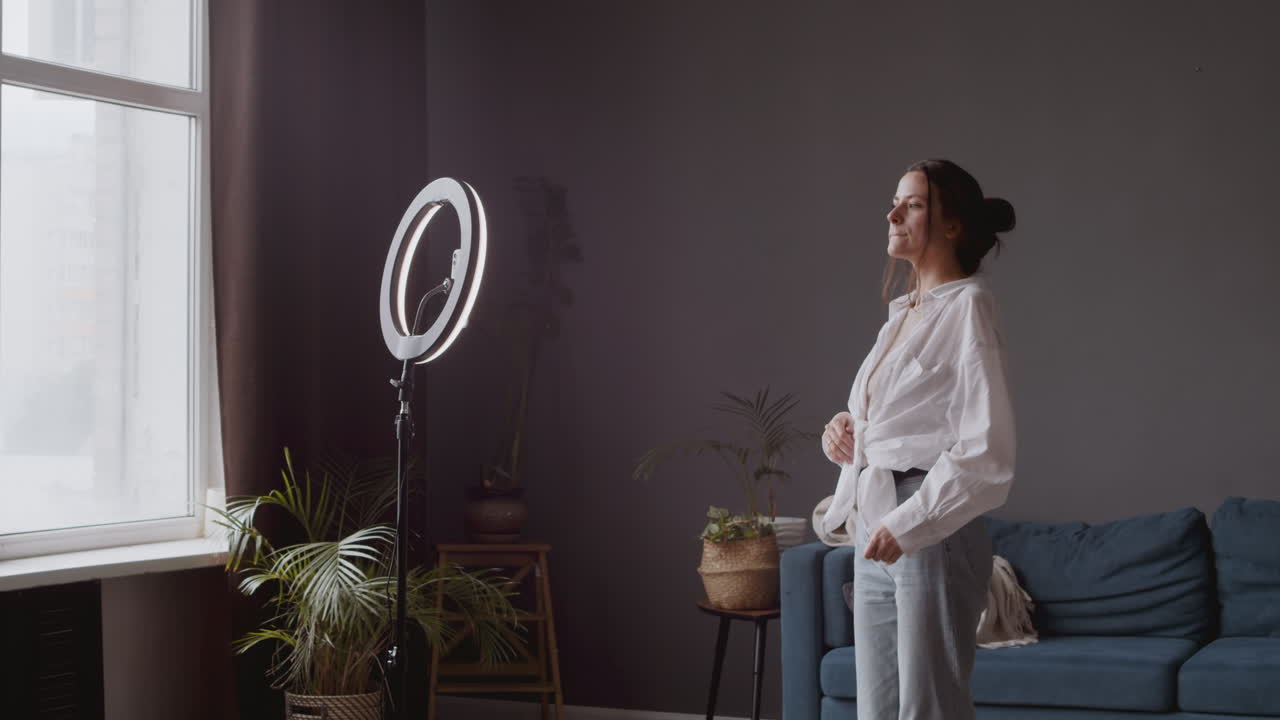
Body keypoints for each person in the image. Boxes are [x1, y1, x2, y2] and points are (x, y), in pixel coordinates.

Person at [819, 158, 1018, 720]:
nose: (892, 213)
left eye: (912, 203)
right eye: (894, 201)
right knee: (877, 710)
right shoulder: (900, 317)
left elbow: (987, 451)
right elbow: (903, 423)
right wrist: (846, 431)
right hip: (878, 520)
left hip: (928, 524)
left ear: (951, 225)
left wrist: (909, 525)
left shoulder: (970, 308)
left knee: (927, 709)